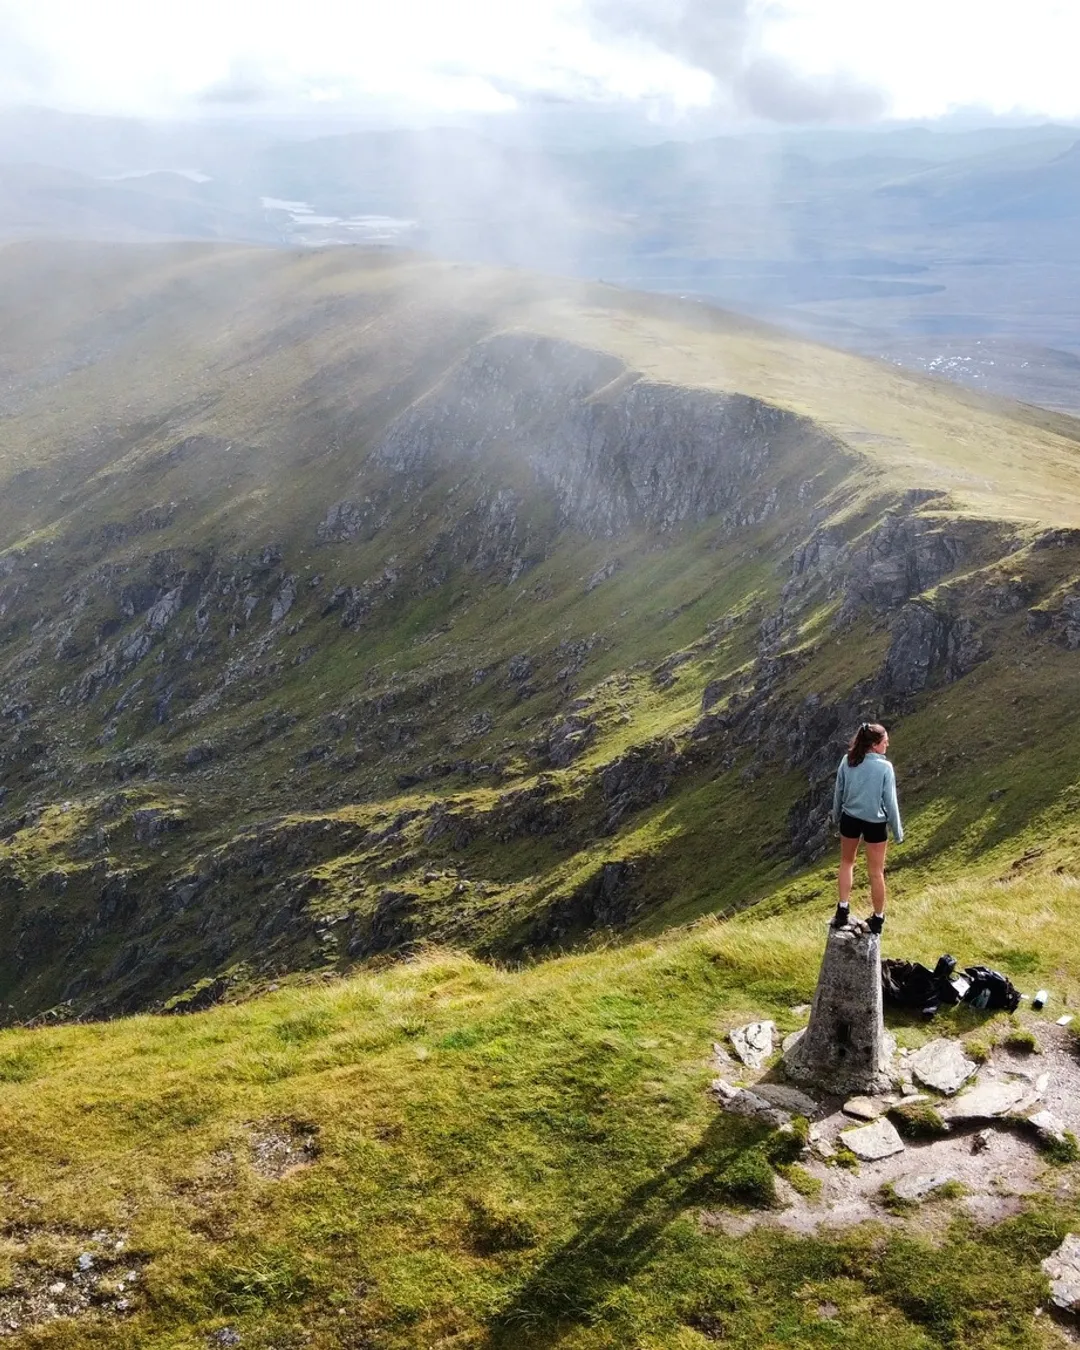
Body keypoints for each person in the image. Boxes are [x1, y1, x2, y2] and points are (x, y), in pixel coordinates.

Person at [830, 721, 903, 935]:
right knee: (876, 873)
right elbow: (890, 802)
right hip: (875, 823)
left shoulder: (848, 760)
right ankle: (878, 919)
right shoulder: (884, 767)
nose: (887, 746)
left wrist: (836, 815)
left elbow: (839, 791)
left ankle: (842, 909)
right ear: (874, 745)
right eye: (885, 742)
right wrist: (897, 830)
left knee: (846, 863)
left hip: (850, 818)